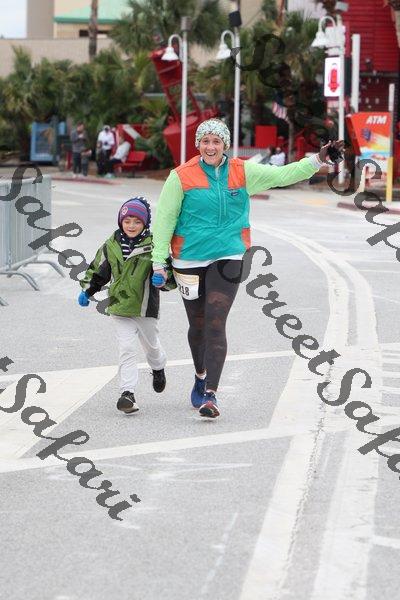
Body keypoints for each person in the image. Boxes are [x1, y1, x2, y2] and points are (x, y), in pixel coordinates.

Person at [151, 118, 344, 419]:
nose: (211, 147)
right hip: (188, 258)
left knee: (216, 322)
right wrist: (158, 261)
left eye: (217, 142)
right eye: (205, 141)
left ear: (225, 145)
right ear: (198, 144)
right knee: (198, 326)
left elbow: (283, 174)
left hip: (228, 255)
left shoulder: (242, 171)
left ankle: (210, 395)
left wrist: (318, 159)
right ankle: (200, 375)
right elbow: (165, 219)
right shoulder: (181, 176)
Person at [78, 197, 167, 414]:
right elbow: (98, 270)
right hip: (119, 306)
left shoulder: (154, 246)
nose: (131, 225)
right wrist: (87, 290)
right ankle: (127, 393)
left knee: (152, 346)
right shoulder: (111, 245)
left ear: (145, 223)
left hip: (145, 307)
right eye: (127, 221)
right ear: (120, 222)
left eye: (137, 221)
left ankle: (158, 367)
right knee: (126, 349)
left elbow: (168, 272)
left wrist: (163, 278)